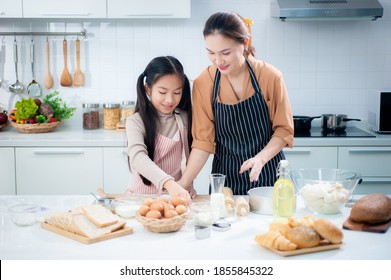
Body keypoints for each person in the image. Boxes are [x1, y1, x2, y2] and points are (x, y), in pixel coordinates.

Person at [179, 11, 294, 195]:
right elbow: (203, 142)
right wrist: (182, 184)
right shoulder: (204, 82)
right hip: (225, 181)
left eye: (225, 52)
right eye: (211, 53)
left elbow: (284, 130)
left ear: (245, 43)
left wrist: (261, 159)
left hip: (269, 176)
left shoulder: (270, 76)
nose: (218, 61)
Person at [125, 56, 195, 204]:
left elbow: (192, 155)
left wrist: (187, 185)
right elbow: (138, 158)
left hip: (175, 199)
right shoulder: (136, 122)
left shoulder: (185, 118)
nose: (169, 100)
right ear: (148, 89)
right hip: (141, 199)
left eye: (177, 93)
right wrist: (170, 185)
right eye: (162, 92)